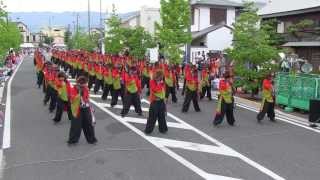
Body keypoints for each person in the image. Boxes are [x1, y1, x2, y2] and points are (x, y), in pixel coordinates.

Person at [68, 76, 98, 145]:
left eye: (84, 84)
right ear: (78, 83)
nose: (83, 85)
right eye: (81, 84)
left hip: (86, 108)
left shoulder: (86, 89)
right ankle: (73, 140)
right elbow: (72, 99)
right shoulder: (73, 89)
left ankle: (91, 139)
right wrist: (79, 94)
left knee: (89, 124)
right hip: (77, 109)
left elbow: (87, 98)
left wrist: (85, 99)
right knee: (76, 125)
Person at [145, 70, 168, 134]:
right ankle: (148, 130)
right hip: (154, 102)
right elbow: (155, 90)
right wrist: (159, 84)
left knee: (162, 116)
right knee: (152, 117)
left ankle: (163, 129)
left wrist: (164, 101)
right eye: (159, 77)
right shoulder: (152, 81)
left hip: (161, 101)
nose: (160, 78)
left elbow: (163, 91)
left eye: (161, 77)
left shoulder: (162, 82)